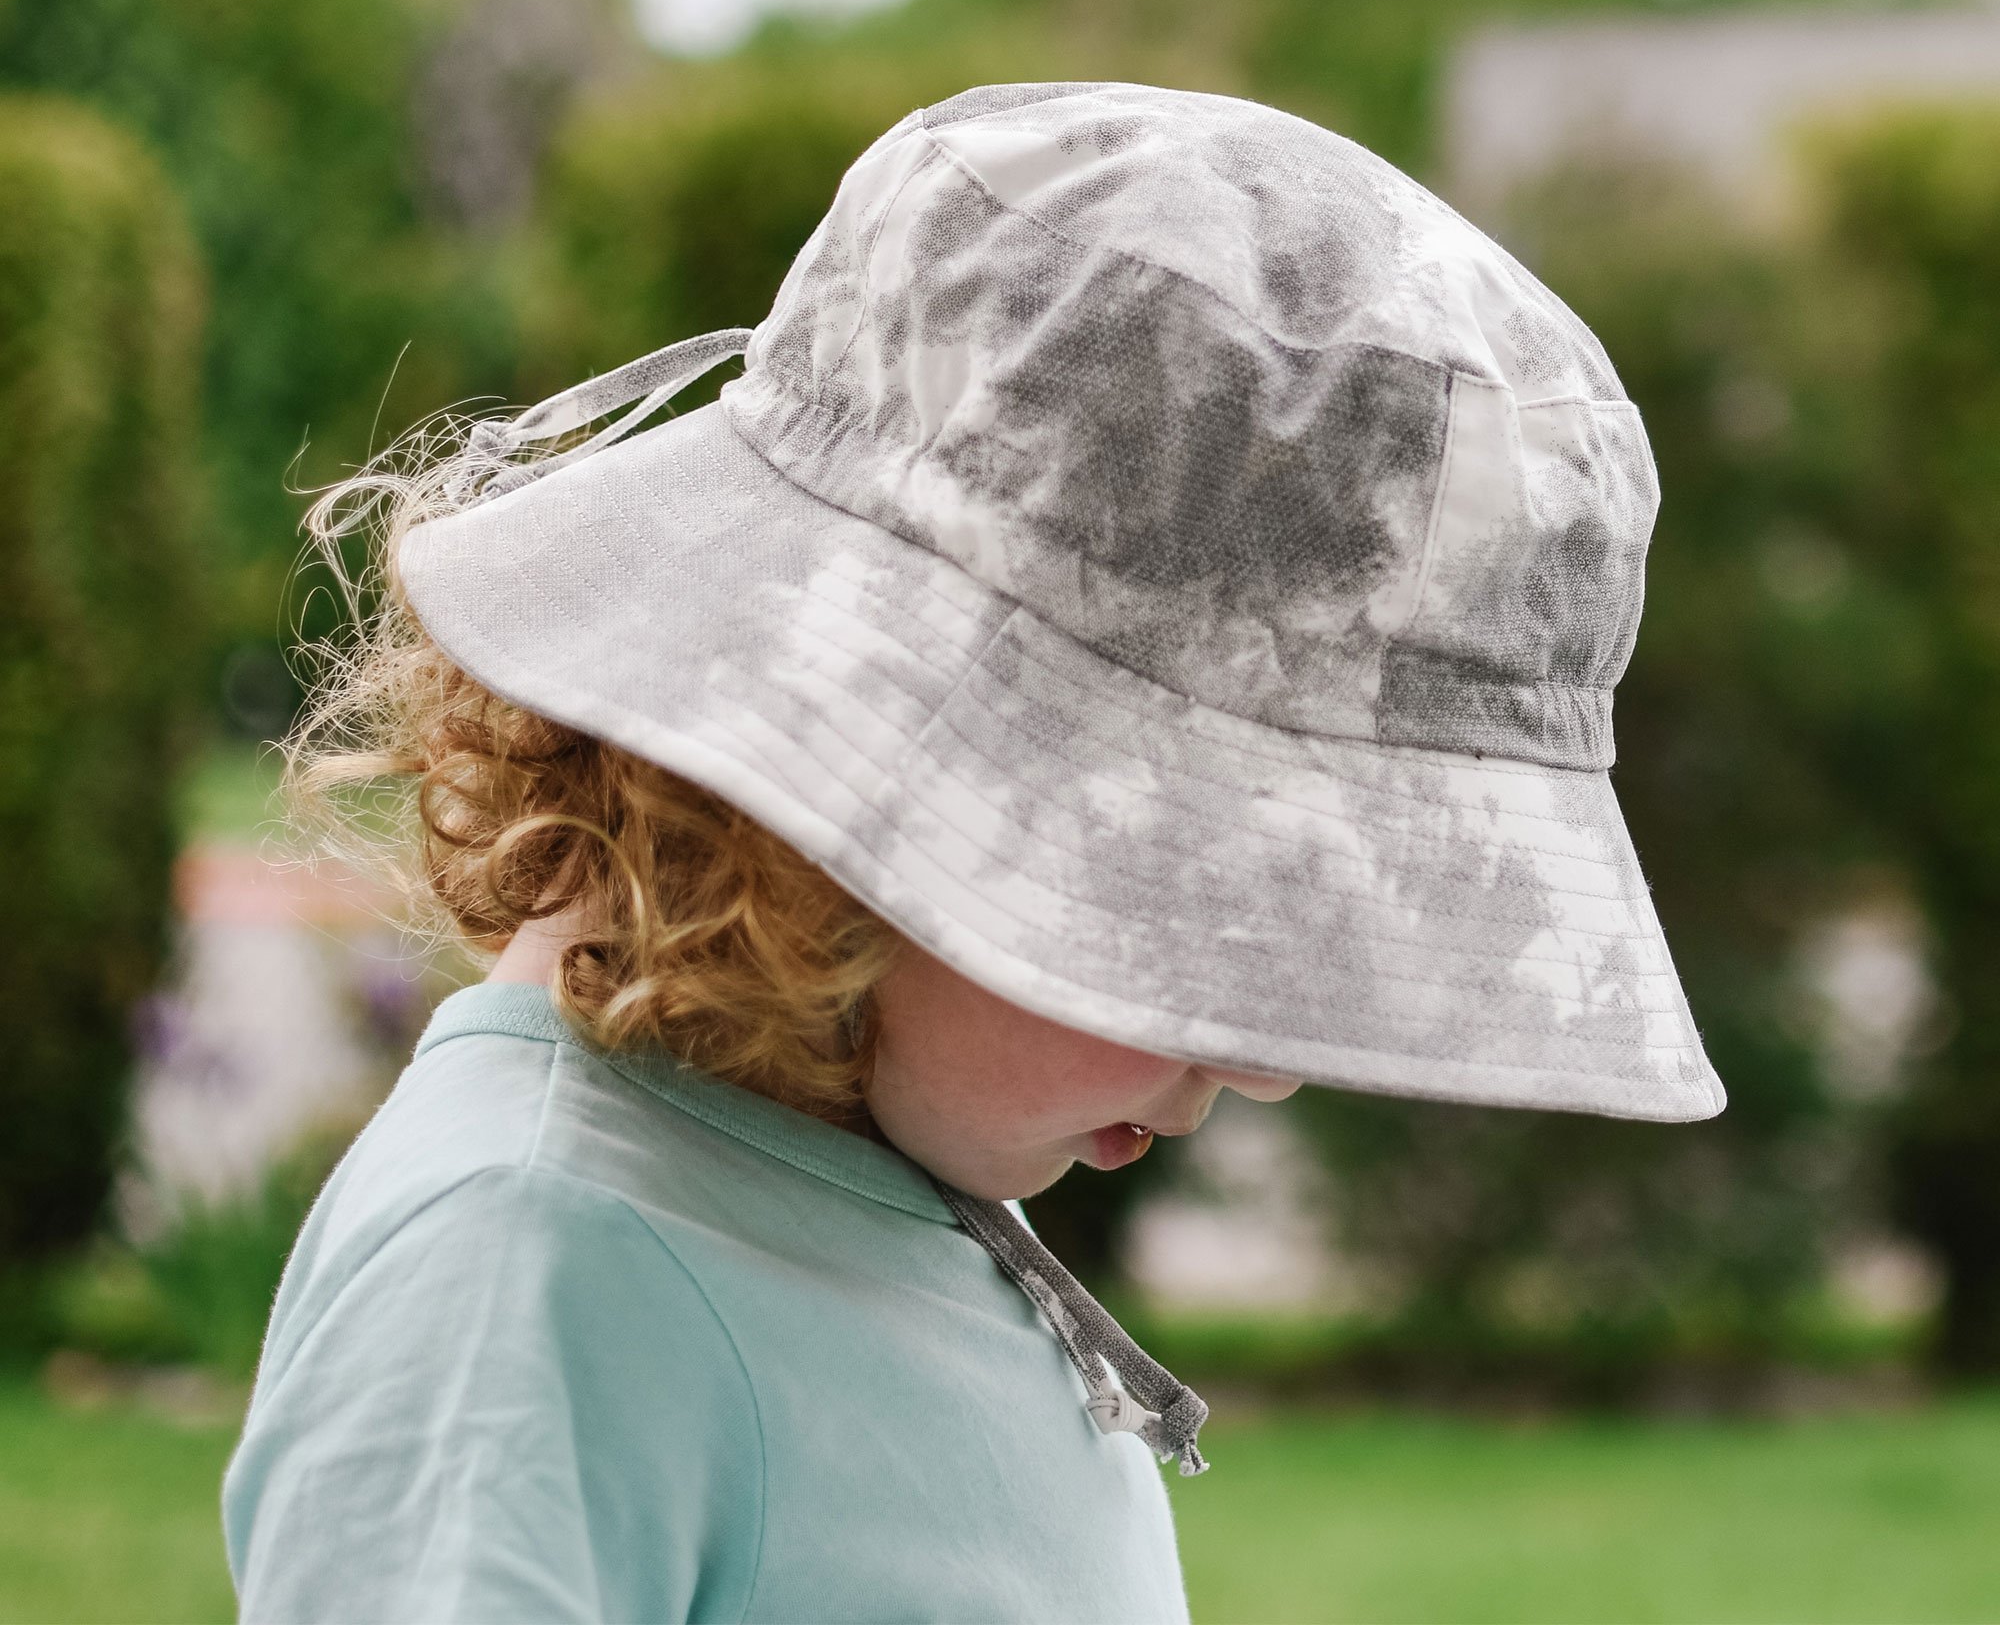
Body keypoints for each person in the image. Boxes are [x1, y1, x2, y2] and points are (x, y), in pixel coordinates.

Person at [223, 82, 1725, 1623]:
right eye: (1213, 900)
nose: (1270, 1063)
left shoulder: (851, 1179)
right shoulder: (524, 1278)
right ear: (839, 764)